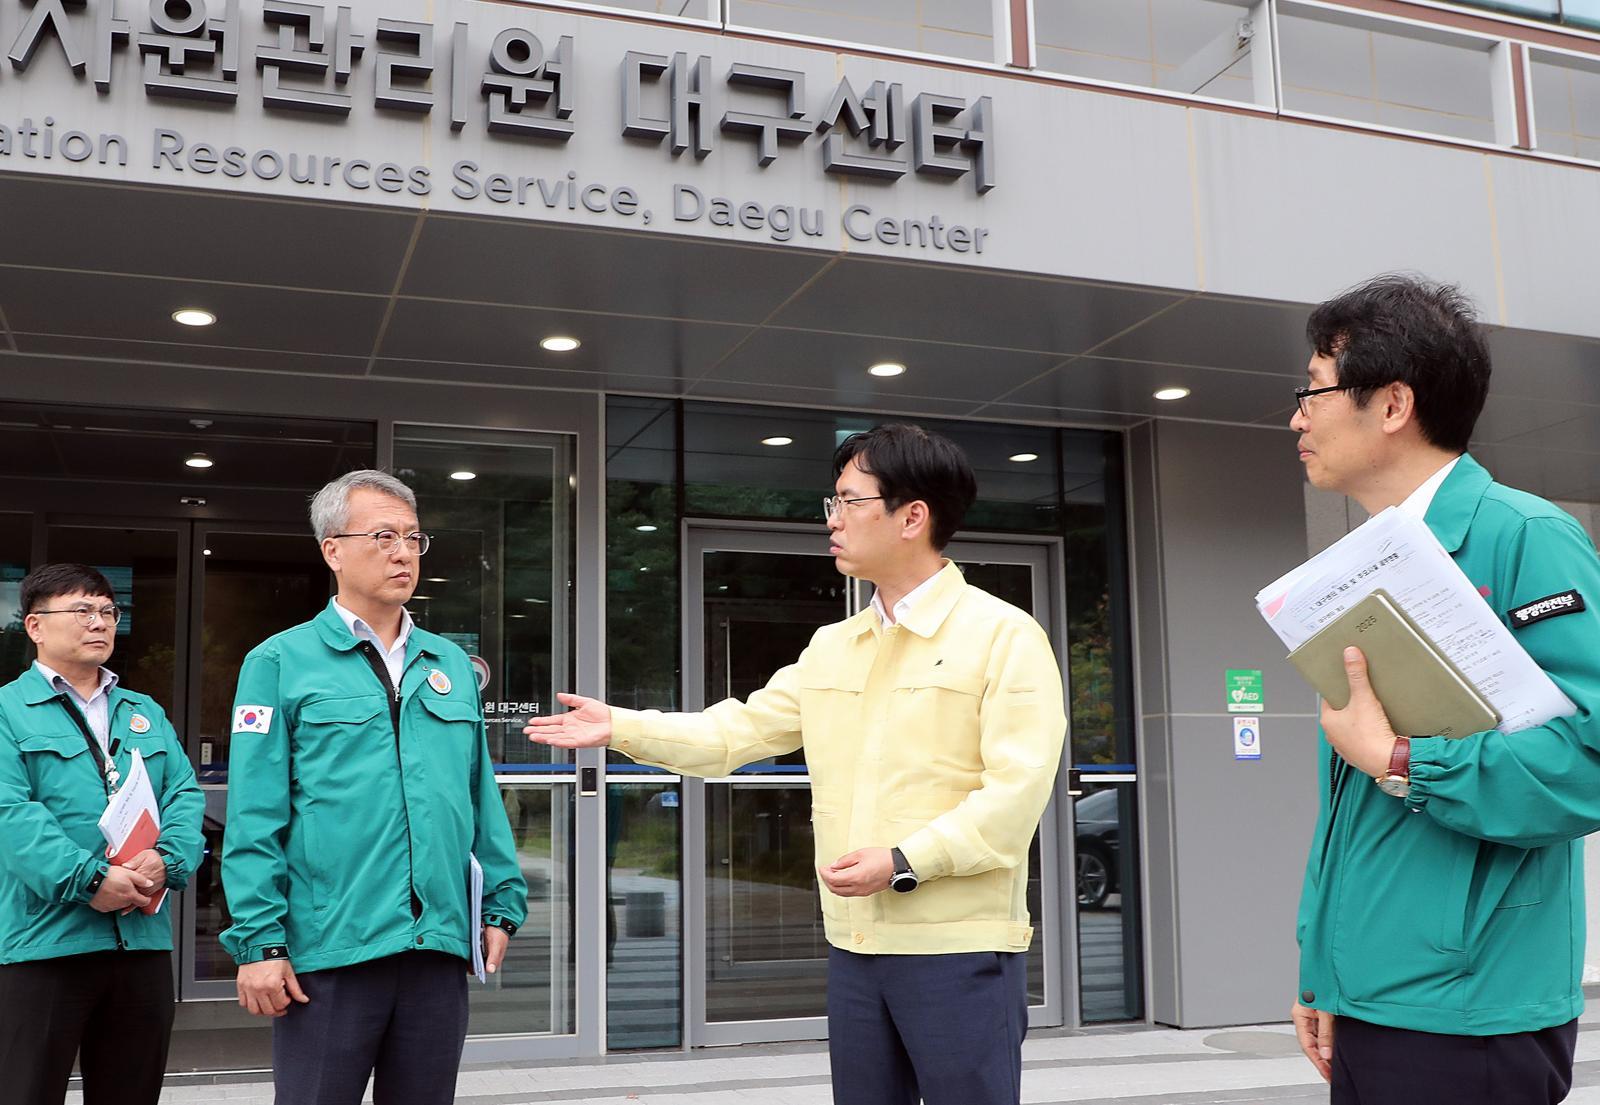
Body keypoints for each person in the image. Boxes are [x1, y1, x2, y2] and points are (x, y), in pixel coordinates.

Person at [527, 423, 1066, 1105]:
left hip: (957, 948)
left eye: (848, 501)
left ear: (912, 516)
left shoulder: (1004, 636)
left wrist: (902, 858)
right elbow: (738, 731)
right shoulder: (834, 646)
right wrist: (623, 726)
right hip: (855, 946)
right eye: (831, 503)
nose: (833, 520)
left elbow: (1015, 797)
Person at [1287, 274, 1600, 1104]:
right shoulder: (1369, 567)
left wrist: (1400, 756)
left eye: (1313, 391)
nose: (1297, 418)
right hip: (1375, 1002)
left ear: (1392, 404)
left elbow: (1591, 759)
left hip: (1472, 1012)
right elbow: (1356, 816)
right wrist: (1324, 976)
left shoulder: (1526, 538)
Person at [221, 469, 528, 1105]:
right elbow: (255, 815)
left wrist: (500, 902)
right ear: (332, 549)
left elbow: (478, 795)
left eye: (414, 538)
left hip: (436, 944)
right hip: (330, 950)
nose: (402, 552)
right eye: (383, 535)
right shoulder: (279, 661)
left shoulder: (446, 663)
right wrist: (259, 943)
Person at [0, 563, 204, 1105]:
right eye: (81, 611)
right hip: (44, 948)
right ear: (36, 626)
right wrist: (91, 880)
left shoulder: (144, 712)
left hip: (141, 945)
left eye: (108, 612)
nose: (99, 623)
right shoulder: (7, 711)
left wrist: (167, 861)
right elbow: (10, 814)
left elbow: (184, 795)